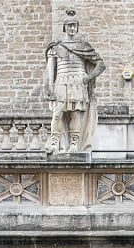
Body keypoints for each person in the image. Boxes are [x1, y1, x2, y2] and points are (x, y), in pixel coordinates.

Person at [44, 8, 105, 155]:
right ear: (64, 27)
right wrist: (48, 86)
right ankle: (54, 142)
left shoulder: (83, 46)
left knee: (75, 114)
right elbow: (50, 69)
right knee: (57, 113)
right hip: (61, 81)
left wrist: (87, 78)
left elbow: (101, 65)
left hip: (78, 82)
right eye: (69, 25)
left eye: (74, 25)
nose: (72, 28)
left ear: (77, 27)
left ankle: (74, 143)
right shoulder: (56, 46)